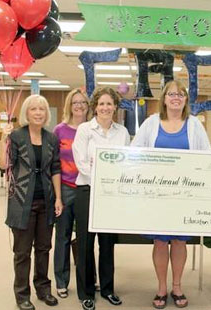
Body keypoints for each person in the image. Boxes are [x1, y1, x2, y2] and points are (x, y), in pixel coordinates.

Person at [131, 80, 210, 309]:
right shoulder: (151, 123)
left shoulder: (194, 125)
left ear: (186, 99)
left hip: (184, 195)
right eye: (172, 94)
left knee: (178, 241)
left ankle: (177, 286)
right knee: (159, 241)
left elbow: (206, 156)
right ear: (164, 99)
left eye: (181, 94)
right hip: (156, 195)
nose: (176, 97)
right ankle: (161, 288)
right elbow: (136, 152)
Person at [0, 95, 63, 310]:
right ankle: (22, 294)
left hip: (46, 201)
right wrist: (3, 140)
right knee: (22, 252)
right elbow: (3, 165)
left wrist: (58, 198)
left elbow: (55, 169)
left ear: (46, 114)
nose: (38, 113)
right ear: (26, 112)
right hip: (21, 202)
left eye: (41, 109)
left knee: (44, 248)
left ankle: (43, 289)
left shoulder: (51, 138)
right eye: (33, 109)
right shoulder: (16, 136)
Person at [72, 87, 130, 310]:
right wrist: (103, 175)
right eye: (101, 104)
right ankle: (86, 293)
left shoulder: (122, 132)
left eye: (109, 104)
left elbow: (125, 162)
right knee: (86, 243)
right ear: (95, 106)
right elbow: (81, 163)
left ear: (115, 106)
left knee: (107, 244)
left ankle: (107, 289)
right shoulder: (85, 130)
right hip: (87, 190)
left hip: (111, 194)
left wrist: (110, 175)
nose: (105, 108)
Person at [53, 89, 91, 299]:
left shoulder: (92, 129)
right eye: (75, 102)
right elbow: (54, 165)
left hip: (87, 188)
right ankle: (61, 281)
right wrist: (57, 196)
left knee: (86, 239)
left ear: (88, 105)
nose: (79, 106)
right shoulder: (60, 130)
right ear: (69, 105)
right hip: (66, 188)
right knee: (63, 237)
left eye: (83, 102)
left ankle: (87, 280)